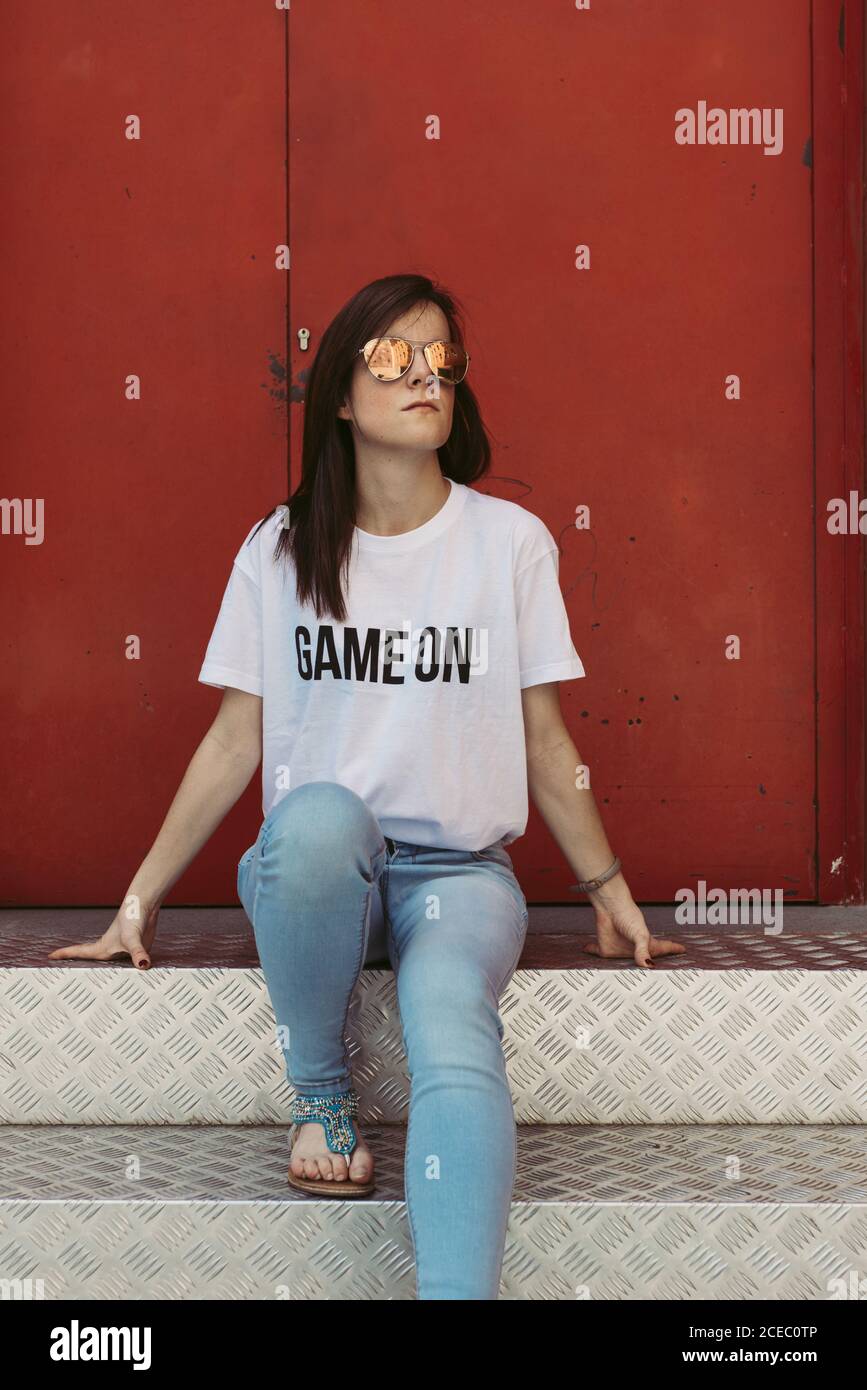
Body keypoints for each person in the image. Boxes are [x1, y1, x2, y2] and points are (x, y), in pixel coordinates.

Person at [49, 272, 684, 1299]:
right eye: (392, 358)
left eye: (441, 359)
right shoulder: (283, 548)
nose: (423, 376)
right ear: (341, 395)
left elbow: (543, 735)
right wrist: (139, 899)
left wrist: (609, 890)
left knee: (452, 1027)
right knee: (318, 820)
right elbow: (233, 739)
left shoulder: (507, 544)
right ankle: (324, 1091)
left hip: (456, 878)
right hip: (316, 875)